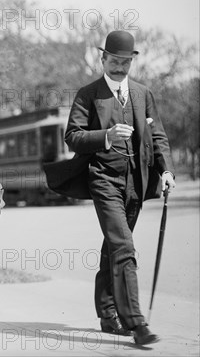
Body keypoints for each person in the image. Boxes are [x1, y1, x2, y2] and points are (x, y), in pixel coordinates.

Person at [46, 31, 175, 346]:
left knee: (113, 249)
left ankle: (107, 315)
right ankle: (137, 323)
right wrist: (105, 135)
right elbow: (73, 136)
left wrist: (167, 169)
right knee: (124, 248)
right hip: (103, 179)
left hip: (137, 184)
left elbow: (157, 137)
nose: (120, 67)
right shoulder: (88, 94)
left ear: (132, 61)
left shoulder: (143, 94)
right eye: (114, 61)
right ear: (103, 59)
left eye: (125, 61)